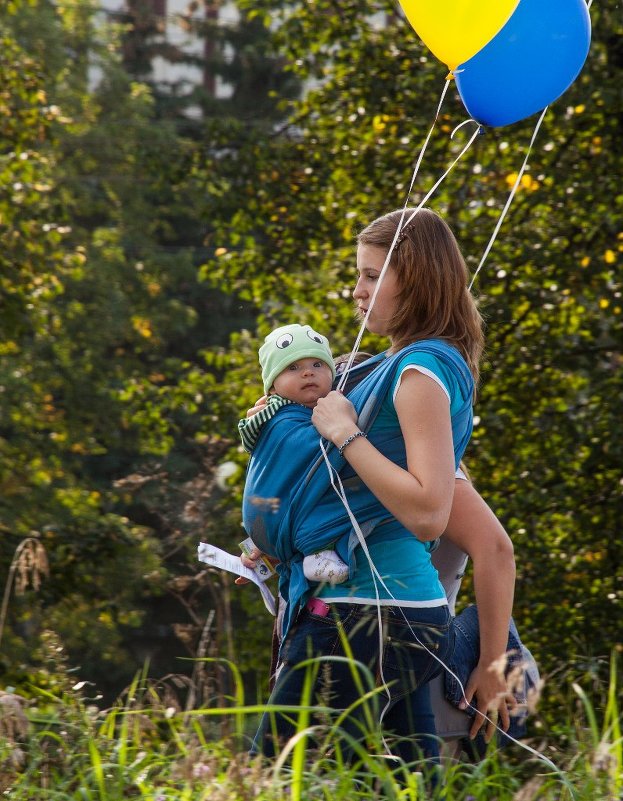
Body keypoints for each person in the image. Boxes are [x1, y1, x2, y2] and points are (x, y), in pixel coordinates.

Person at [242, 206, 488, 767]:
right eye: (359, 274)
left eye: (373, 276)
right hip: (392, 605)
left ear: (418, 279)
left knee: (274, 775)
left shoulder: (420, 373)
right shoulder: (405, 363)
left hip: (369, 608)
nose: (357, 292)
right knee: (404, 778)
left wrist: (345, 434)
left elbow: (429, 511)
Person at [238, 322, 353, 585]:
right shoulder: (277, 413)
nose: (307, 374)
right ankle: (316, 555)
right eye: (293, 367)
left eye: (317, 365)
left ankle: (313, 555)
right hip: (270, 516)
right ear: (272, 387)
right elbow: (310, 447)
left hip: (265, 526)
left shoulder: (312, 409)